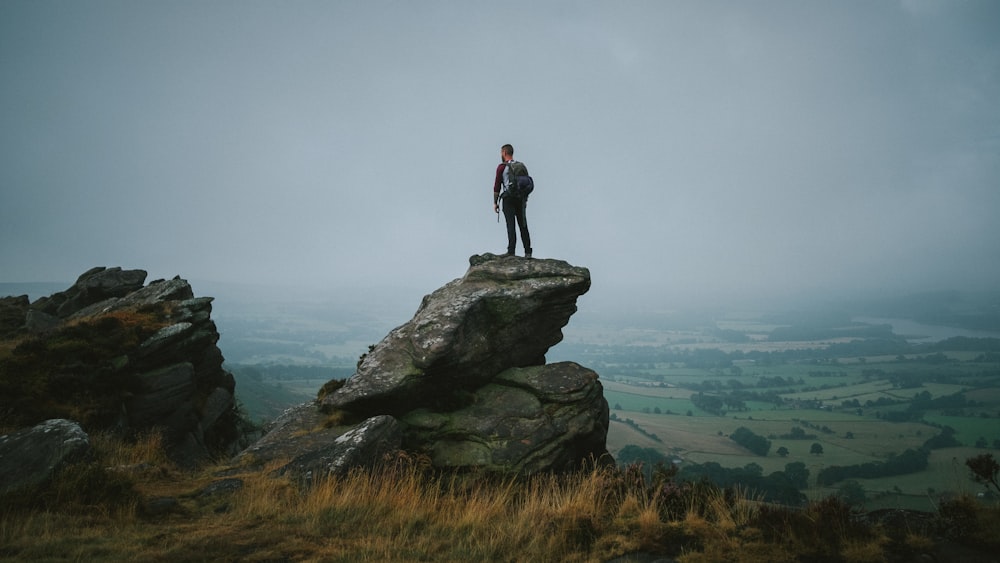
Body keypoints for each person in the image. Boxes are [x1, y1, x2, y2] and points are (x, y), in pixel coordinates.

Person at [492, 143, 532, 258]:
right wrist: (525, 199)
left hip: (508, 198)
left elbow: (497, 186)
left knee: (511, 224)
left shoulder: (501, 167)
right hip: (520, 198)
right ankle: (528, 252)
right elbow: (526, 183)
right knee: (523, 224)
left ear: (504, 153)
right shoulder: (521, 165)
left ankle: (511, 251)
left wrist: (495, 202)